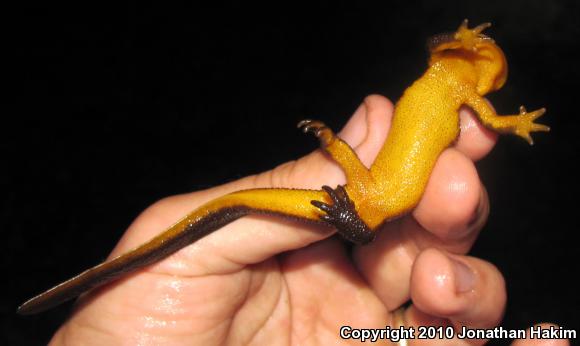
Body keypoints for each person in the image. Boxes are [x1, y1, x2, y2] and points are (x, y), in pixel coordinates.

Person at [48, 95, 568, 345]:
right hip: (360, 195)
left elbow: (491, 117)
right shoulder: (448, 69)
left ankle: (345, 206)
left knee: (386, 208)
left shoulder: (465, 94)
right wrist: (333, 149)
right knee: (232, 208)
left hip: (362, 203)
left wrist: (344, 205)